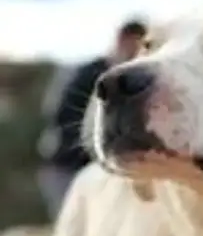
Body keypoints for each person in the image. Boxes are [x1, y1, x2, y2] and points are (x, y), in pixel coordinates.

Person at [36, 19, 147, 219]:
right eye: (134, 45)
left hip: (101, 169)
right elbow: (63, 116)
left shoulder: (130, 80)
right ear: (121, 41)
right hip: (67, 167)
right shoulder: (90, 74)